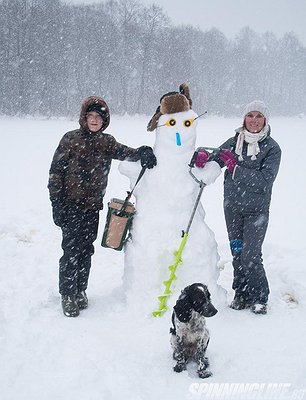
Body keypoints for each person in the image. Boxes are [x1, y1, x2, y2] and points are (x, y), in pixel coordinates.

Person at [48, 95, 157, 317]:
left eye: (99, 116)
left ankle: (80, 289)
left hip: (92, 207)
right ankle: (68, 294)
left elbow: (125, 152)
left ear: (104, 120)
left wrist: (142, 151)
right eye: (91, 116)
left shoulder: (106, 142)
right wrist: (56, 202)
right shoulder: (70, 139)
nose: (95, 120)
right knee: (71, 250)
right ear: (84, 118)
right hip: (70, 205)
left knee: (87, 249)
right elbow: (56, 171)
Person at [195, 100, 281, 314]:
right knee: (237, 252)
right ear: (244, 118)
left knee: (251, 254)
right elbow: (217, 157)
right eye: (250, 116)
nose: (253, 120)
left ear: (265, 120)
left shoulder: (272, 148)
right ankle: (241, 294)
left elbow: (264, 180)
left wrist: (235, 167)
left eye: (258, 116)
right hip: (232, 207)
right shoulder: (235, 142)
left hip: (257, 210)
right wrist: (204, 158)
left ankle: (260, 297)